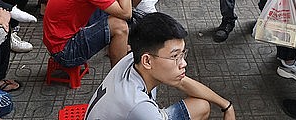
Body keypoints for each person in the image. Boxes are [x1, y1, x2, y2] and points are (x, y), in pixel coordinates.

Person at [85, 12, 236, 120]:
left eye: (182, 54)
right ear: (148, 61)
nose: (184, 63)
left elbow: (182, 82)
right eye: (175, 56)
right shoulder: (139, 106)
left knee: (201, 106)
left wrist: (226, 105)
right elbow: (141, 110)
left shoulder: (135, 58)